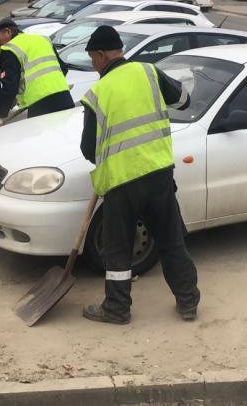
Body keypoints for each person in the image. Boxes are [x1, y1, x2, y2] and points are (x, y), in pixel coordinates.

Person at [78, 25, 199, 325]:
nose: (93, 65)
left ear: (102, 55)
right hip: (159, 174)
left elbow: (87, 148)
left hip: (122, 183)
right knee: (171, 241)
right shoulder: (149, 72)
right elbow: (184, 100)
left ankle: (117, 308)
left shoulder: (98, 93)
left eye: (92, 58)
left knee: (118, 249)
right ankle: (188, 302)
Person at [0, 18, 74, 127]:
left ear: (8, 32)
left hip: (40, 105)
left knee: (39, 137)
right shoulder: (43, 39)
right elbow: (63, 68)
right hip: (65, 98)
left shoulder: (10, 48)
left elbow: (10, 87)